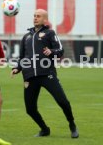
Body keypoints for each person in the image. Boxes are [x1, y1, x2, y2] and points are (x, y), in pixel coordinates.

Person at [11, 9, 79, 138]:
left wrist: (51, 51)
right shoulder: (26, 37)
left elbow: (60, 50)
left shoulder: (50, 33)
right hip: (30, 77)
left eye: (39, 16)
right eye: (34, 15)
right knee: (30, 109)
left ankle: (72, 124)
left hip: (47, 74)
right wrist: (17, 68)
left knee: (63, 101)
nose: (35, 18)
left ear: (45, 20)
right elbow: (22, 57)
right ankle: (44, 129)